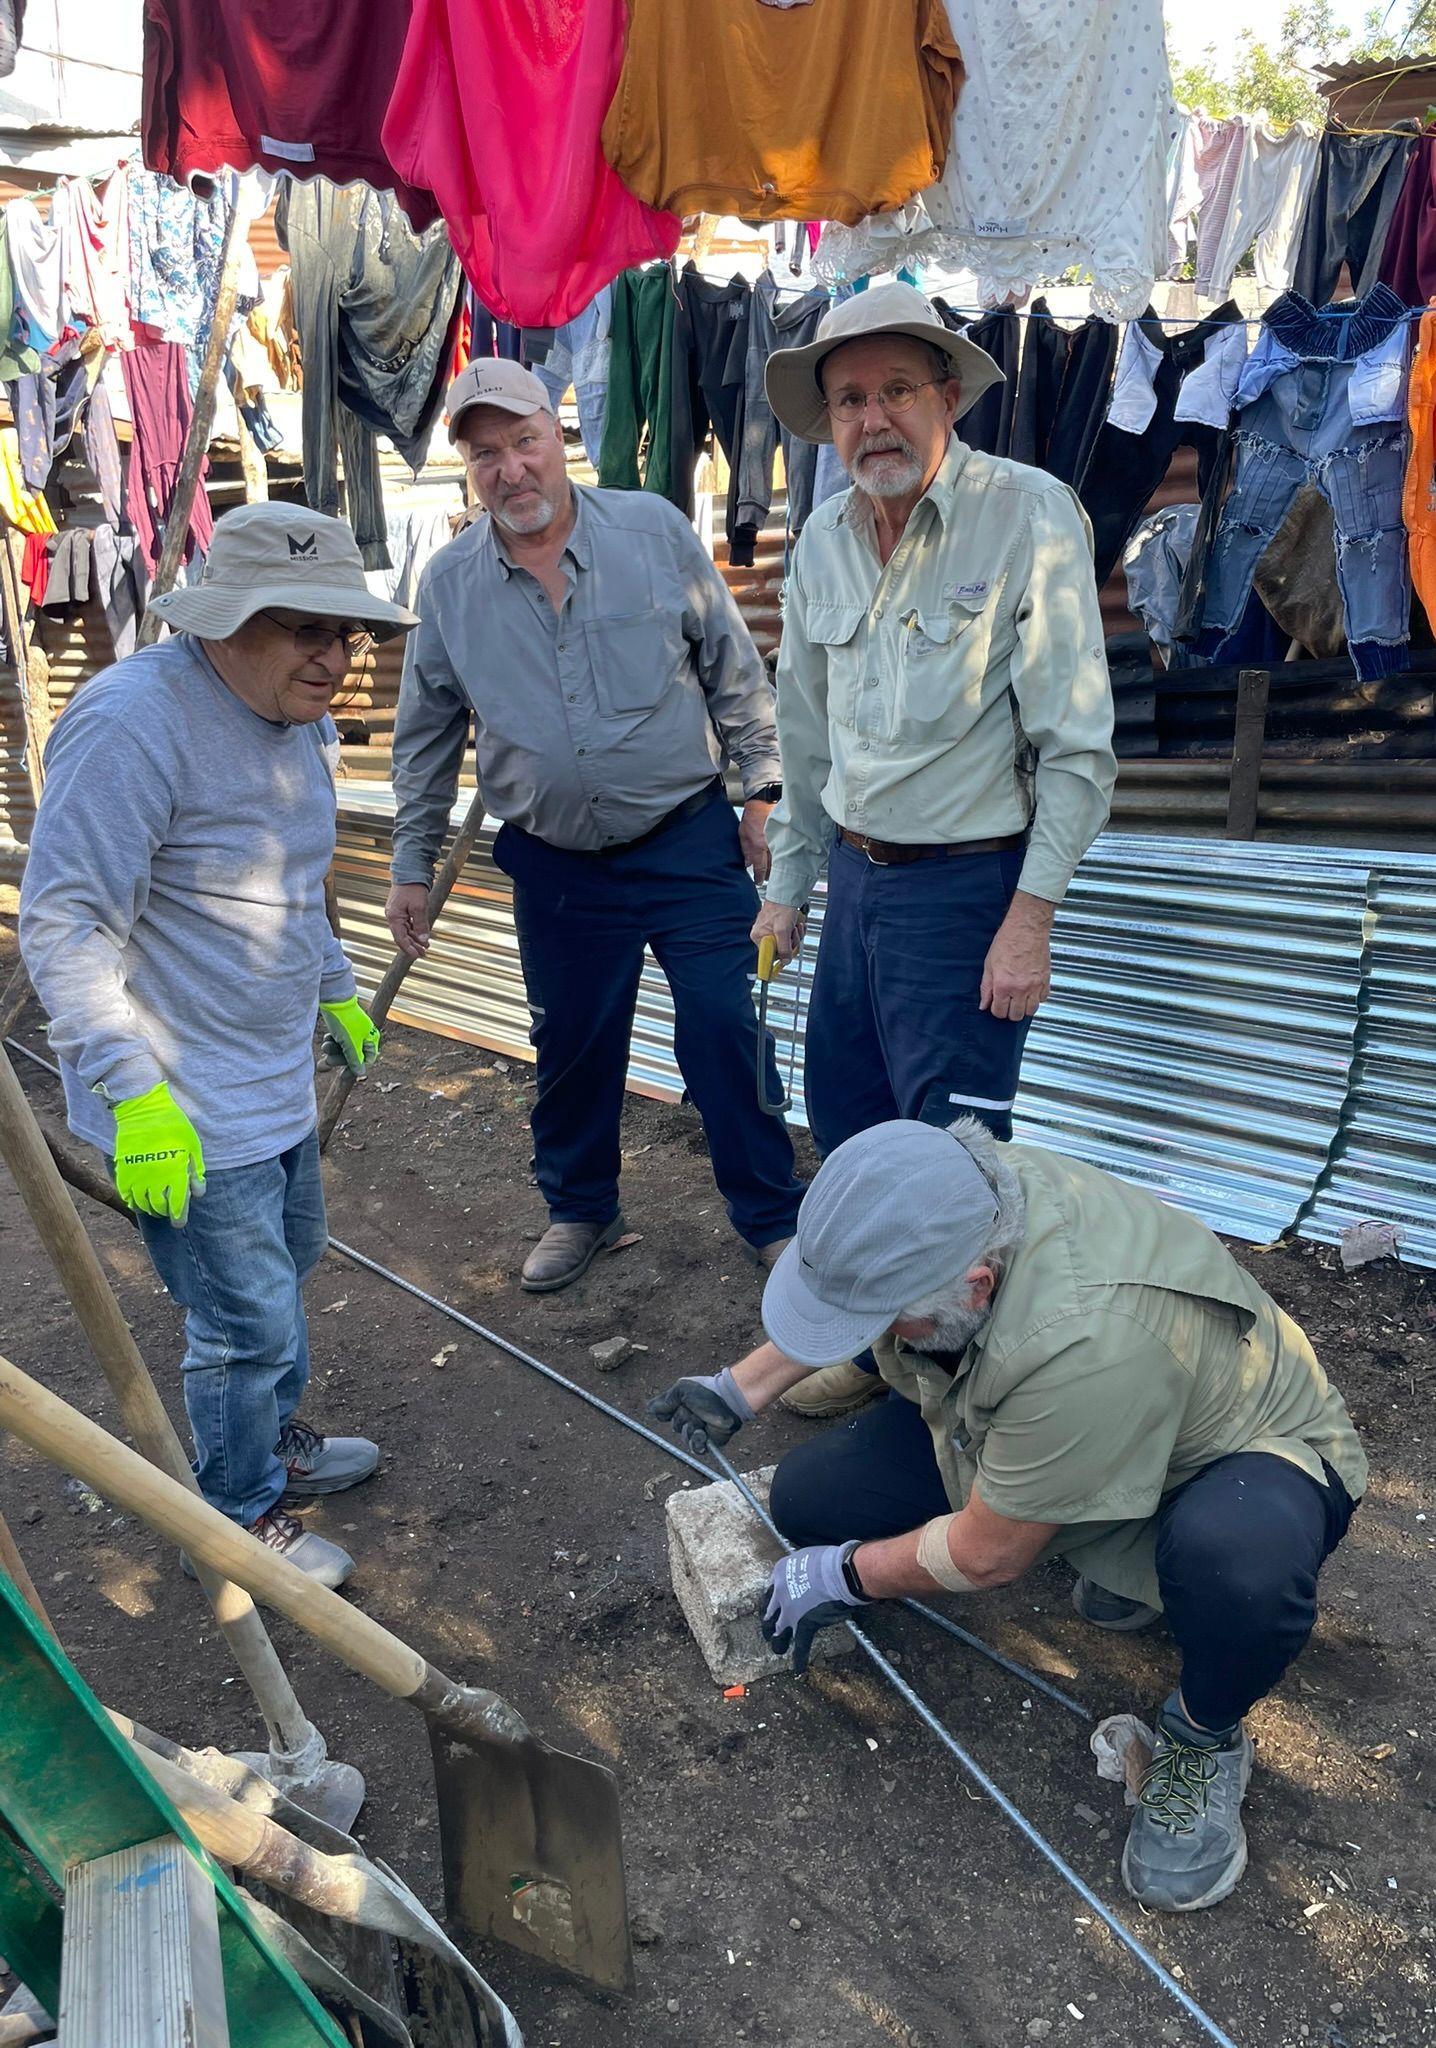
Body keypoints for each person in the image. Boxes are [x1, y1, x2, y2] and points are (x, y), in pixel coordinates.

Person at [650, 1118, 1367, 1914]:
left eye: (892, 1325)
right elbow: (857, 1290)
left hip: (1233, 1453)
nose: (879, 1340)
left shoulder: (1080, 1341)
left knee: (1235, 1564)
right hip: (1073, 1414)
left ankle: (1203, 1741)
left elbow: (989, 1556)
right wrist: (739, 1387)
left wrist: (850, 1576)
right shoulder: (953, 1194)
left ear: (975, 1292)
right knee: (814, 1501)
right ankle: (1120, 1553)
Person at [20, 504, 417, 1588]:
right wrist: (131, 1096)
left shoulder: (303, 719)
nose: (336, 659)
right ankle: (239, 1515)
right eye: (305, 630)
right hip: (182, 1099)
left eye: (351, 634)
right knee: (243, 1323)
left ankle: (268, 1444)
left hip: (271, 1073)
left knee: (286, 1279)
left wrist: (334, 989)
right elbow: (62, 920)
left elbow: (290, 885)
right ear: (227, 622)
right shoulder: (133, 723)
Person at [751, 282, 1120, 1421]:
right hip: (857, 882)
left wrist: (1032, 915)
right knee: (853, 1129)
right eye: (850, 398)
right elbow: (805, 736)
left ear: (947, 394)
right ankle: (872, 1350)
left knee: (960, 1155)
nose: (874, 419)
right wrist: (789, 886)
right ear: (827, 419)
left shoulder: (1029, 515)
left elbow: (1077, 750)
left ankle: (968, 1385)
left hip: (967, 891)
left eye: (897, 390)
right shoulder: (821, 535)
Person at [388, 358, 803, 1293]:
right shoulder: (451, 584)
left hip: (687, 839)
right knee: (571, 1043)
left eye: (524, 442)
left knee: (723, 1024)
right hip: (557, 865)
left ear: (557, 434)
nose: (511, 470)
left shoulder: (652, 532)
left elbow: (735, 674)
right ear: (468, 466)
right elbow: (423, 741)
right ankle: (583, 1208)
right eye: (485, 453)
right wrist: (410, 865)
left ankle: (772, 1216)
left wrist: (765, 791)